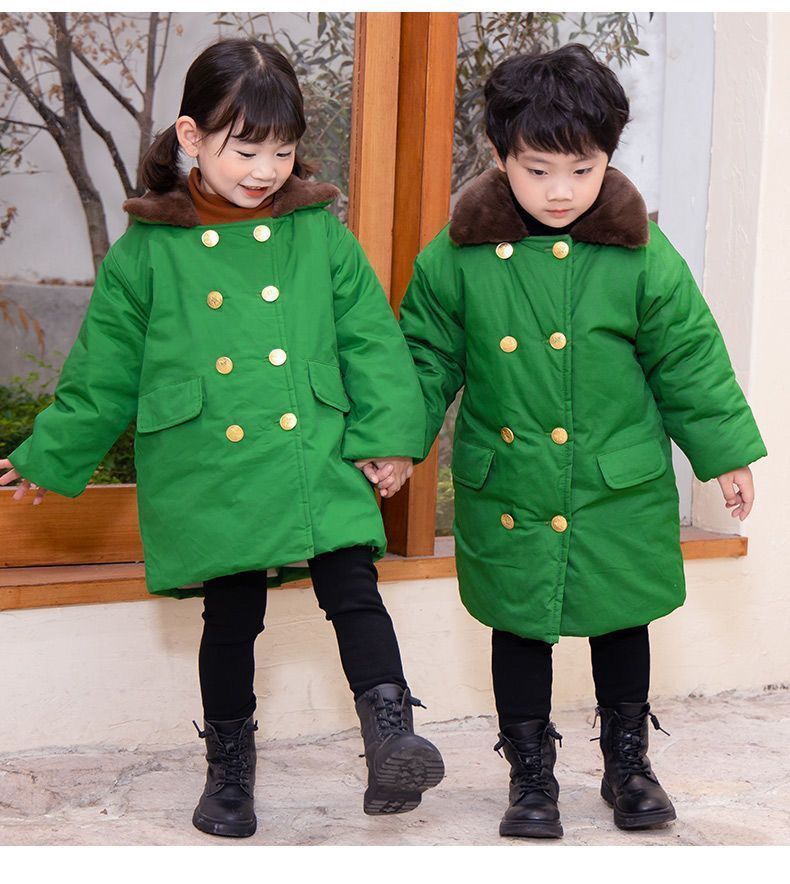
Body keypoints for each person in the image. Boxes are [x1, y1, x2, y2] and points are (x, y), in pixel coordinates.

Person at [0, 38, 444, 839]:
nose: (266, 170)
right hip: (214, 457)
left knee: (353, 584)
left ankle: (391, 739)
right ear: (191, 137)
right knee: (232, 617)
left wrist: (389, 438)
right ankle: (230, 772)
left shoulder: (318, 234)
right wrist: (49, 454)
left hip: (312, 448)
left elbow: (372, 342)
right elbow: (102, 373)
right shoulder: (147, 252)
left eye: (283, 150)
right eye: (246, 150)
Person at [395, 43, 766, 839]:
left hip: (614, 483)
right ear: (500, 154)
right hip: (512, 481)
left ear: (608, 158)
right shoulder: (456, 257)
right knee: (518, 624)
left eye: (582, 169)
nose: (560, 191)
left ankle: (628, 764)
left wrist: (724, 452)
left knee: (622, 618)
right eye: (538, 170)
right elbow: (423, 358)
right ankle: (530, 774)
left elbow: (687, 357)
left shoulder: (640, 254)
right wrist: (396, 441)